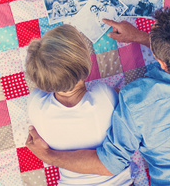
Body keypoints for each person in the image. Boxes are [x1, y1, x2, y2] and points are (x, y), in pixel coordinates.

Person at [26, 8, 170, 185]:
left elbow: (110, 164)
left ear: (158, 60)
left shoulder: (135, 99)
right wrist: (139, 36)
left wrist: (48, 155)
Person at [25, 24, 134, 186]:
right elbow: (124, 99)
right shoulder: (104, 96)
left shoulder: (35, 104)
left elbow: (39, 88)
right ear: (86, 65)